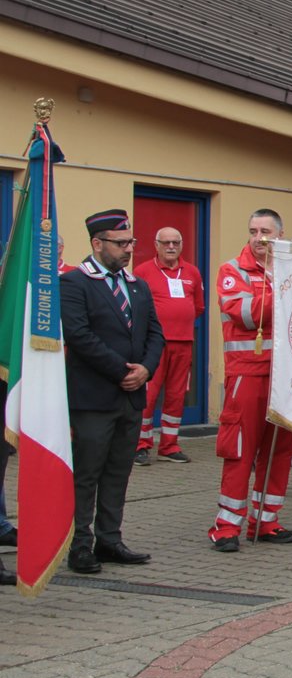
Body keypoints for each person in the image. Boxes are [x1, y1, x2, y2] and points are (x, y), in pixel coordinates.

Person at [62, 209, 165, 573]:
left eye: (131, 243)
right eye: (120, 243)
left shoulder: (136, 285)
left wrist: (146, 369)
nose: (128, 250)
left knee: (118, 471)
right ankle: (80, 543)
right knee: (87, 473)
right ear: (97, 243)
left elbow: (156, 333)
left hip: (130, 396)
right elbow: (79, 336)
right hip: (94, 397)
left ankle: (110, 538)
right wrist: (122, 371)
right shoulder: (76, 282)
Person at [209, 209, 292, 552]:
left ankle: (265, 520)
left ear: (280, 235)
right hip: (247, 374)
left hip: (286, 376)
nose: (258, 237)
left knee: (279, 451)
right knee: (240, 452)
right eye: (252, 230)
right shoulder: (233, 270)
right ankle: (226, 526)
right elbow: (246, 313)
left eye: (265, 231)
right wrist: (291, 290)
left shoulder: (291, 270)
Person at [132, 227, 203, 465]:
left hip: (183, 342)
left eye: (176, 242)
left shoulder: (192, 272)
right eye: (166, 243)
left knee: (175, 395)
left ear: (181, 245)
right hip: (153, 344)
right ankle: (140, 445)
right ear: (156, 245)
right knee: (148, 395)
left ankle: (169, 445)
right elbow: (135, 307)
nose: (171, 247)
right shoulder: (142, 271)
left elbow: (199, 306)